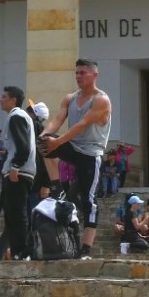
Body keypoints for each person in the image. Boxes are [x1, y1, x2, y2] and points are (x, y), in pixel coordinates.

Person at [40, 58, 112, 260]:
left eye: (82, 73)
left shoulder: (101, 100)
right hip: (72, 146)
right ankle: (56, 185)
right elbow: (57, 119)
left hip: (90, 154)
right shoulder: (70, 98)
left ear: (94, 75)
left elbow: (82, 125)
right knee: (42, 144)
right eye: (77, 73)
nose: (78, 76)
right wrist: (44, 136)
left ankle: (86, 248)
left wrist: (58, 142)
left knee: (89, 200)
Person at [0, 85, 35, 261]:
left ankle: (22, 252)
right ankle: (17, 251)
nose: (0, 99)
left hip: (18, 173)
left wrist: (15, 167)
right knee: (11, 215)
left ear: (13, 100)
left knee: (17, 214)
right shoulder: (16, 116)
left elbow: (23, 146)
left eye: (4, 97)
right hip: (16, 172)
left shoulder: (16, 116)